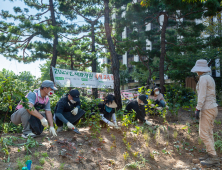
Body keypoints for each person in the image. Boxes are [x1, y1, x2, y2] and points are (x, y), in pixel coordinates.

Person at [191, 59, 219, 167]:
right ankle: (211, 155)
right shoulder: (210, 78)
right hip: (213, 108)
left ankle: (213, 158)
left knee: (203, 134)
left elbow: (202, 96)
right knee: (209, 132)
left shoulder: (203, 79)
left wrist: (197, 109)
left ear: (200, 70)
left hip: (206, 108)